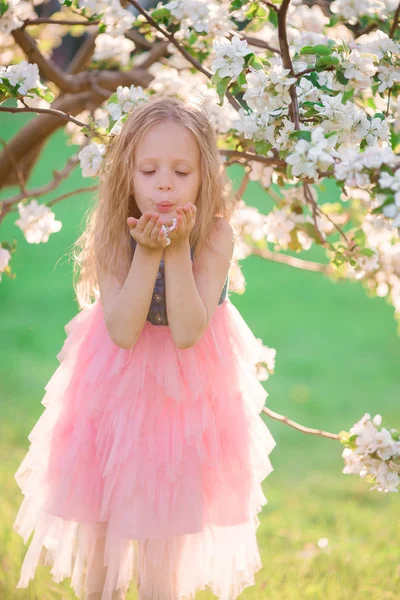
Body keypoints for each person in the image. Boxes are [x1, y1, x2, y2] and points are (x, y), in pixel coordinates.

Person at [12, 95, 277, 600]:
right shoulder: (113, 233)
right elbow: (124, 330)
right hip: (115, 388)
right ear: (126, 174)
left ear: (204, 177)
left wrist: (175, 252)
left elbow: (186, 331)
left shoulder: (216, 234)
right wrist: (146, 253)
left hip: (188, 396)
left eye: (181, 171)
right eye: (149, 169)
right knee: (104, 531)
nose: (164, 184)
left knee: (167, 541)